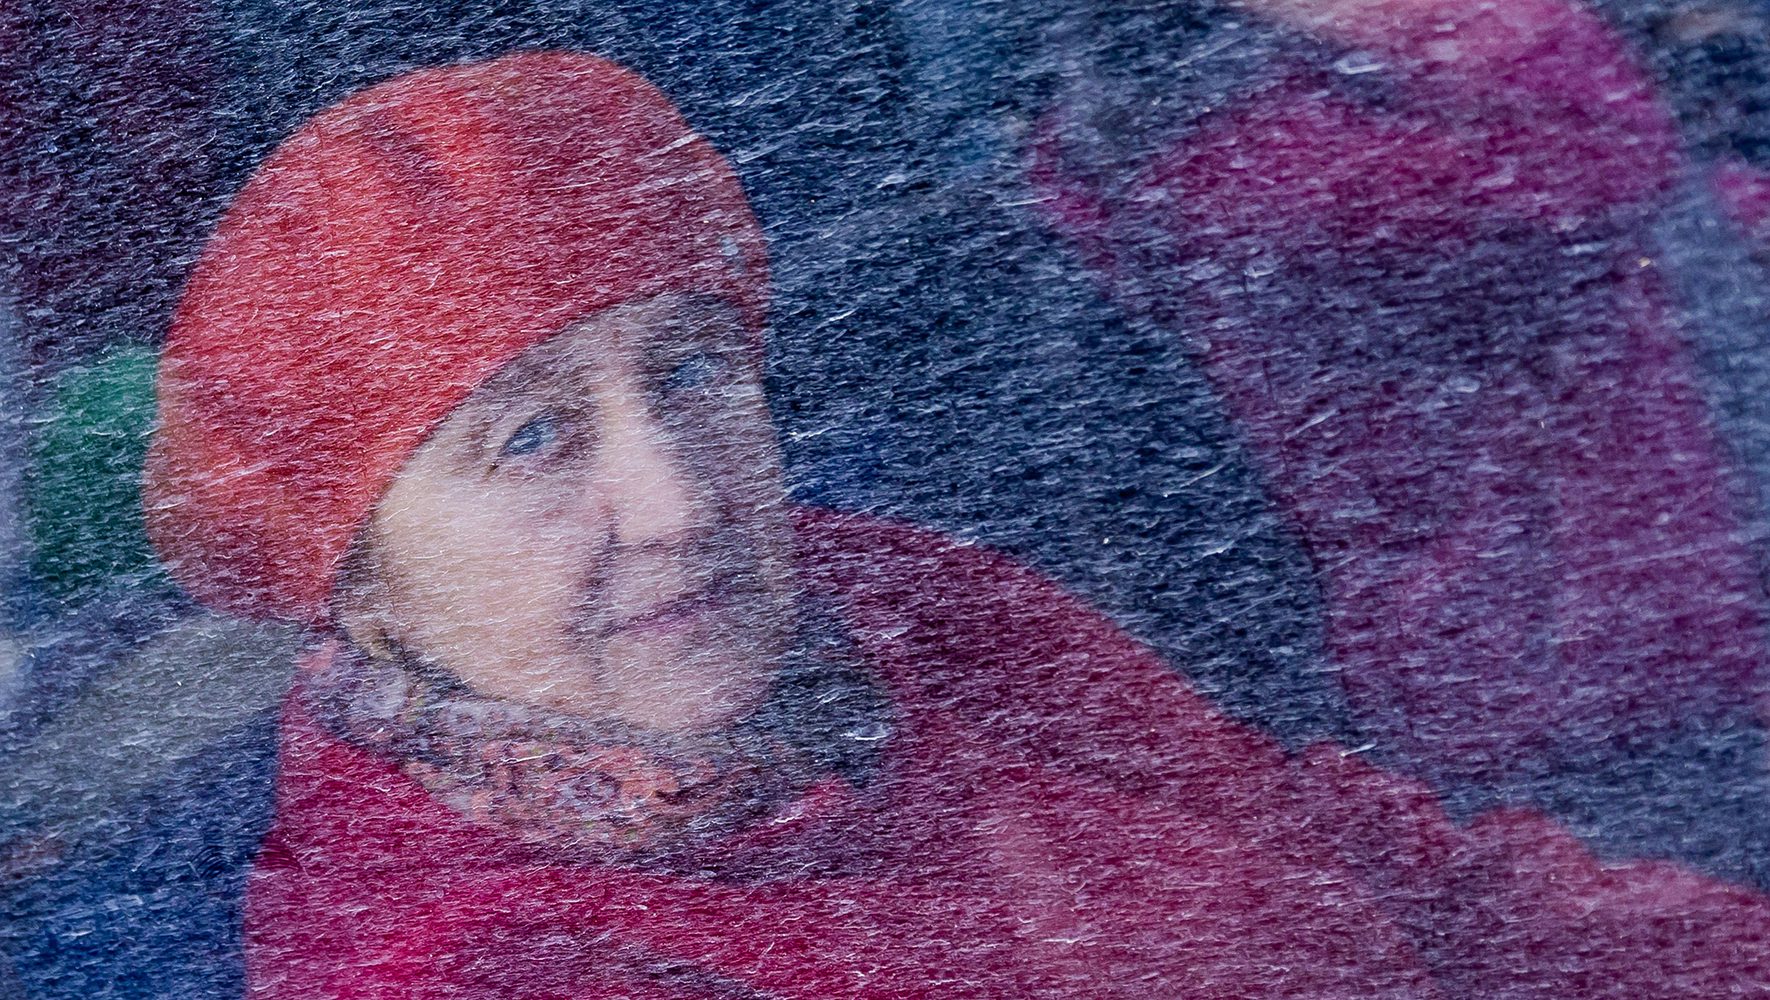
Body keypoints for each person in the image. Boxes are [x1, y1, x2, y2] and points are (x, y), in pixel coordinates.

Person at [143, 52, 1770, 999]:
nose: (681, 495)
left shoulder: (894, 611)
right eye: (533, 436)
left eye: (696, 368)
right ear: (354, 574)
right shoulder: (488, 961)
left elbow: (1363, 853)